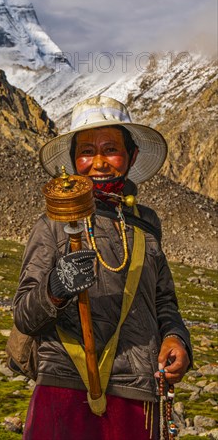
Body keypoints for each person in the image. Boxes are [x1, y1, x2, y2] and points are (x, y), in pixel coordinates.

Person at [13, 96, 192, 440]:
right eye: (86, 151)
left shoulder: (146, 224)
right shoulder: (53, 223)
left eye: (110, 149)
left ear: (131, 156)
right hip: (64, 387)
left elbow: (164, 302)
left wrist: (176, 338)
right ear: (73, 160)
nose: (98, 163)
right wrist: (56, 286)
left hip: (136, 391)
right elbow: (24, 315)